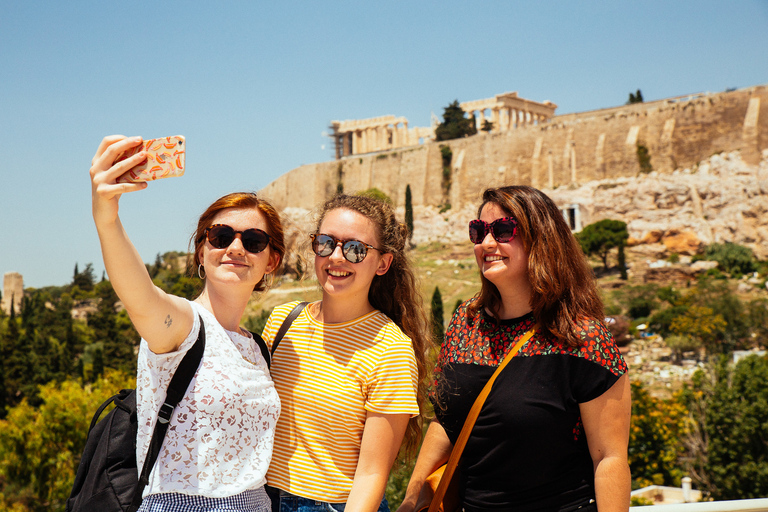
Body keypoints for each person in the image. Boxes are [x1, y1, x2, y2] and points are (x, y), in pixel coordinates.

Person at [397, 186, 631, 512]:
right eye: (478, 232)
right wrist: (412, 501)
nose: (487, 243)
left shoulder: (582, 337)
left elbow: (609, 458)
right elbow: (446, 422)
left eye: (503, 230)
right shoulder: (466, 323)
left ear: (541, 239)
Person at [89, 135, 284, 512]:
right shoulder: (183, 325)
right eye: (221, 236)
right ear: (201, 250)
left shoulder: (257, 347)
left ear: (271, 261)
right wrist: (107, 217)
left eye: (254, 240)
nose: (235, 248)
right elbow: (139, 295)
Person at [261, 194, 429, 512]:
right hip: (259, 500)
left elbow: (371, 475)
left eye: (355, 249)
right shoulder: (282, 321)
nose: (336, 257)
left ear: (383, 263)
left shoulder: (390, 349)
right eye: (326, 243)